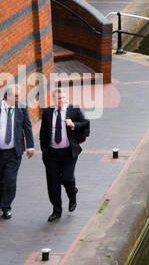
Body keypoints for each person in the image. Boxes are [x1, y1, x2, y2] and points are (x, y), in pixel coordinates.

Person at [40, 87, 89, 222]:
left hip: (68, 153)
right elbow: (43, 133)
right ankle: (56, 210)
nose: (61, 100)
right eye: (59, 98)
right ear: (54, 100)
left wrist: (73, 124)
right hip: (52, 154)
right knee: (53, 183)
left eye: (63, 98)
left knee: (67, 178)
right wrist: (44, 151)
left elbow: (85, 123)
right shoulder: (47, 112)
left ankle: (72, 193)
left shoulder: (74, 110)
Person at [0, 86, 35, 220]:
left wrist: (30, 146)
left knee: (9, 180)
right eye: (15, 96)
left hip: (14, 152)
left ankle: (6, 207)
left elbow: (27, 126)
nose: (18, 99)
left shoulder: (21, 108)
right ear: (7, 96)